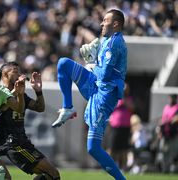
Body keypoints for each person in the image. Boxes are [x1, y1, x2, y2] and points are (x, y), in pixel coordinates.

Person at [51, 9, 127, 180]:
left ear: (116, 24)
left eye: (105, 20)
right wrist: (93, 56)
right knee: (63, 63)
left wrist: (91, 62)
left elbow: (105, 74)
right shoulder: (106, 40)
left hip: (105, 95)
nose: (101, 23)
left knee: (93, 148)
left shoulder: (116, 43)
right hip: (96, 85)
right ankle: (68, 107)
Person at [0, 62, 60, 180]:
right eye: (15, 71)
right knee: (52, 173)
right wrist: (16, 92)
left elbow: (40, 108)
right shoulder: (0, 93)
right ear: (4, 74)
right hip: (12, 143)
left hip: (23, 141)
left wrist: (38, 91)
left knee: (51, 175)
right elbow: (2, 107)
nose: (19, 74)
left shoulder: (22, 95)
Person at [108, 83, 134, 170]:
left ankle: (123, 167)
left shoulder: (129, 99)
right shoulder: (115, 98)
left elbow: (132, 108)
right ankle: (109, 166)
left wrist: (125, 101)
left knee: (123, 149)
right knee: (112, 148)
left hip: (125, 128)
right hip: (115, 127)